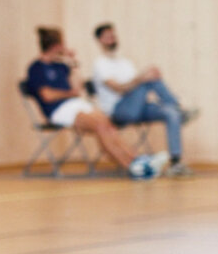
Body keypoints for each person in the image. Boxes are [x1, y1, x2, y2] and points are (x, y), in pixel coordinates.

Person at [25, 27, 166, 179]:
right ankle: (132, 167)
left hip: (76, 103)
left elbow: (77, 88)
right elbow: (47, 95)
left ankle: (137, 160)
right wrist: (70, 93)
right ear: (56, 46)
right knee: (100, 126)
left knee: (107, 124)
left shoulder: (61, 66)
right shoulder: (36, 68)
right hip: (58, 110)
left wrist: (73, 63)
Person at [92, 22, 196, 174]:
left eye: (113, 36)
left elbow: (136, 88)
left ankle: (176, 163)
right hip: (119, 110)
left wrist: (143, 78)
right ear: (100, 40)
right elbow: (119, 89)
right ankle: (180, 109)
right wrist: (143, 77)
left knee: (170, 112)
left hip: (137, 107)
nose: (112, 39)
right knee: (149, 79)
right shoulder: (100, 64)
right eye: (107, 37)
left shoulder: (125, 62)